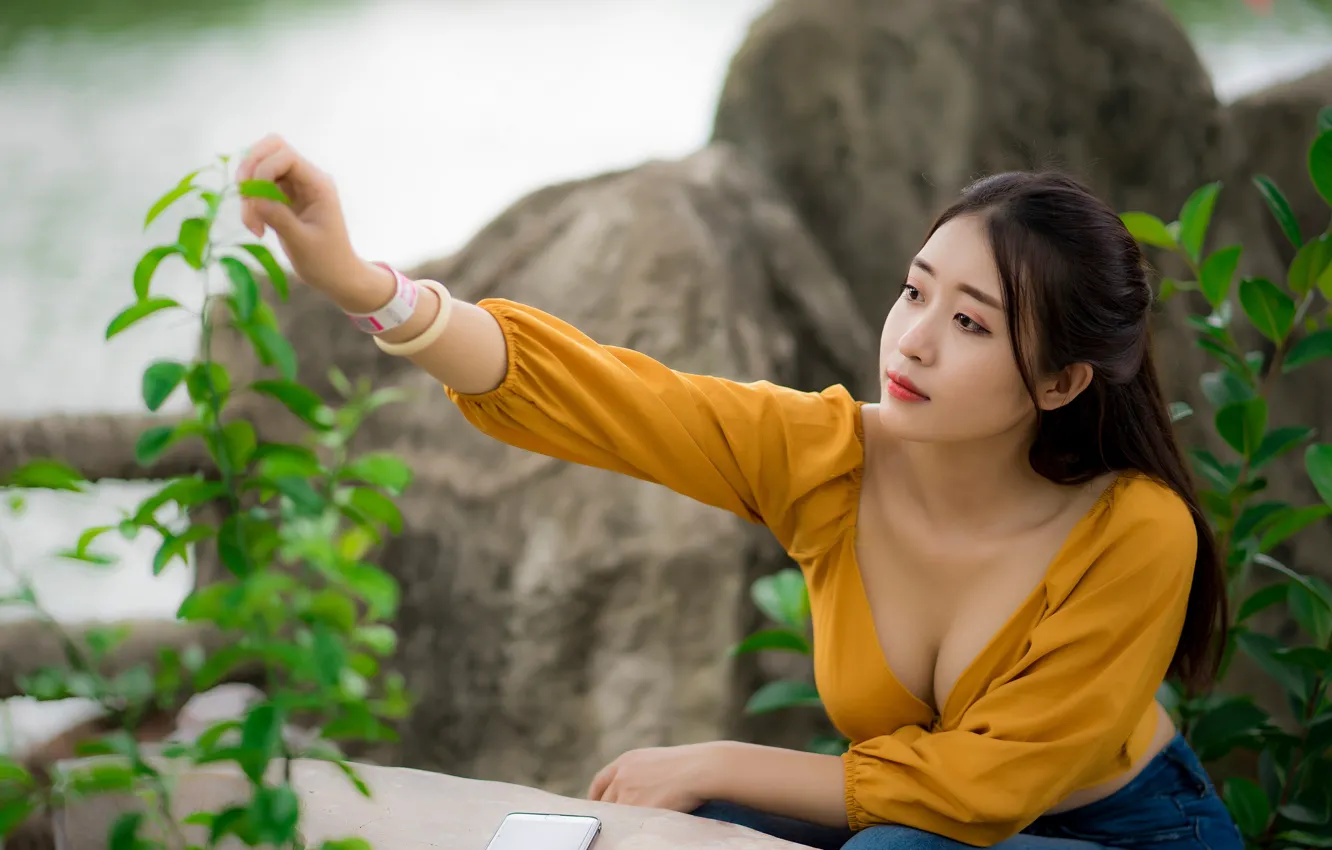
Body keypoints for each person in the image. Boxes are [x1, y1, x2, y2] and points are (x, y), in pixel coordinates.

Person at [234, 135, 1244, 850]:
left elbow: (979, 792)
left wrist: (715, 755)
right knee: (676, 835)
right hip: (918, 821)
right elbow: (610, 396)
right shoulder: (827, 455)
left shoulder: (1136, 531)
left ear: (1062, 382)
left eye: (972, 323)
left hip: (1130, 831)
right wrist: (370, 289)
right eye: (915, 288)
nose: (916, 337)